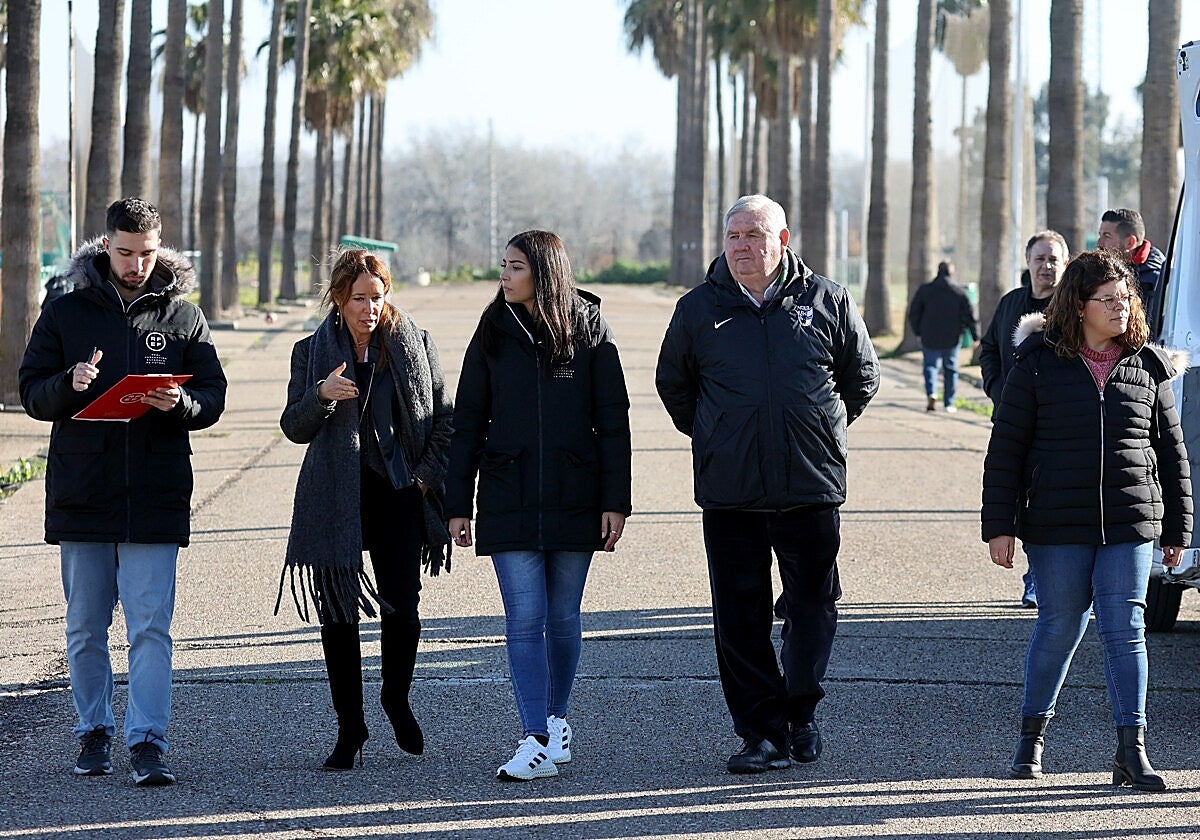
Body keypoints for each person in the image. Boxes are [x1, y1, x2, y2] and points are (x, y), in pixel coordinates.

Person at [656, 194, 879, 774]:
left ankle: (800, 714)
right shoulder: (698, 309)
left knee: (812, 605)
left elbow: (862, 377)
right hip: (731, 492)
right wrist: (717, 434)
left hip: (811, 486)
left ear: (783, 240)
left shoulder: (827, 300)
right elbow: (674, 388)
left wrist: (818, 429)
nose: (742, 247)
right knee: (739, 615)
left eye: (754, 235)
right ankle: (762, 733)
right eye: (733, 236)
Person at [18, 197, 227, 786]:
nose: (137, 264)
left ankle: (148, 743)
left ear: (161, 248)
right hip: (84, 492)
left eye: (147, 252)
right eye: (126, 251)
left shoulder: (183, 317)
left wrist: (181, 403)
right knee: (85, 625)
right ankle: (93, 733)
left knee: (150, 626)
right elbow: (32, 392)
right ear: (105, 245)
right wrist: (69, 382)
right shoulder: (65, 311)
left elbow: (213, 395)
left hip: (156, 492)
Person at [981, 248, 1191, 792]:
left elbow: (1172, 452)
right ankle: (1030, 742)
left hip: (1130, 524)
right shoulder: (1035, 365)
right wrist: (999, 524)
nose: (1121, 308)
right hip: (1056, 524)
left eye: (1126, 299)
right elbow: (1006, 448)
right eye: (1108, 300)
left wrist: (1179, 528)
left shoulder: (1147, 367)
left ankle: (1131, 750)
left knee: (1126, 630)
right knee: (1060, 627)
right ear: (1078, 306)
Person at [445, 230, 632, 782]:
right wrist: (460, 502)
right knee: (525, 618)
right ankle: (537, 737)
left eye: (516, 267)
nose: (504, 276)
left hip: (578, 493)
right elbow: (468, 420)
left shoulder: (590, 326)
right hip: (509, 491)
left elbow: (614, 420)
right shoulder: (492, 330)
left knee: (563, 615)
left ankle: (556, 719)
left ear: (544, 272)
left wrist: (615, 500)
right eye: (502, 265)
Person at [277, 248, 452, 771]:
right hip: (337, 495)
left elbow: (445, 418)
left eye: (378, 297)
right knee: (338, 613)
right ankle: (349, 726)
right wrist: (322, 395)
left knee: (403, 604)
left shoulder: (416, 344)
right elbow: (294, 426)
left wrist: (423, 480)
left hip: (399, 491)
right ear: (337, 298)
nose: (370, 308)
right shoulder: (311, 352)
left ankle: (395, 698)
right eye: (359, 299)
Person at [978, 230, 1070, 608]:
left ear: (1065, 265)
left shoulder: (1072, 309)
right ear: (1028, 262)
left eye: (1053, 259)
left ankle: (1040, 578)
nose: (1046, 266)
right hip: (1012, 422)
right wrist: (999, 391)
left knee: (1047, 501)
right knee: (1015, 497)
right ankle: (1033, 575)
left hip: (1056, 426)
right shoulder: (1010, 303)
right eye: (1039, 258)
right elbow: (987, 351)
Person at [907, 260, 978, 413]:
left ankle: (932, 393)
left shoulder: (925, 290)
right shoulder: (959, 291)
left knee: (931, 367)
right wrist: (975, 336)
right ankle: (949, 402)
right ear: (951, 273)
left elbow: (913, 313)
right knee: (950, 369)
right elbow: (969, 314)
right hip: (952, 337)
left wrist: (918, 331)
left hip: (929, 336)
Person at [1097, 208, 1165, 315]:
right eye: (1100, 235)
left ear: (1130, 242)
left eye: (1107, 236)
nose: (1099, 244)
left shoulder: (1159, 280)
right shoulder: (1098, 271)